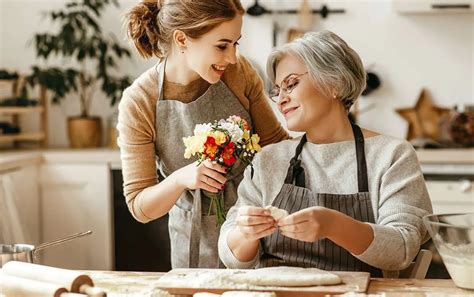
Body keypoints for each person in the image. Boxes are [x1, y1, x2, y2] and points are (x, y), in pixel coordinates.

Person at [218, 30, 433, 277]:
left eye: (291, 84)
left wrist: (334, 225)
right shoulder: (269, 159)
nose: (281, 101)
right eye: (278, 90)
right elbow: (231, 256)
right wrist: (245, 233)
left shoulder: (391, 155)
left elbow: (402, 249)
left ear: (335, 83)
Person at [118, 0, 288, 269]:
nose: (231, 57)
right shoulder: (140, 101)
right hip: (194, 244)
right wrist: (180, 179)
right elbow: (141, 207)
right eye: (222, 46)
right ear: (182, 39)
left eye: (236, 44)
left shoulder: (239, 73)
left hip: (255, 230)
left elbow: (277, 148)